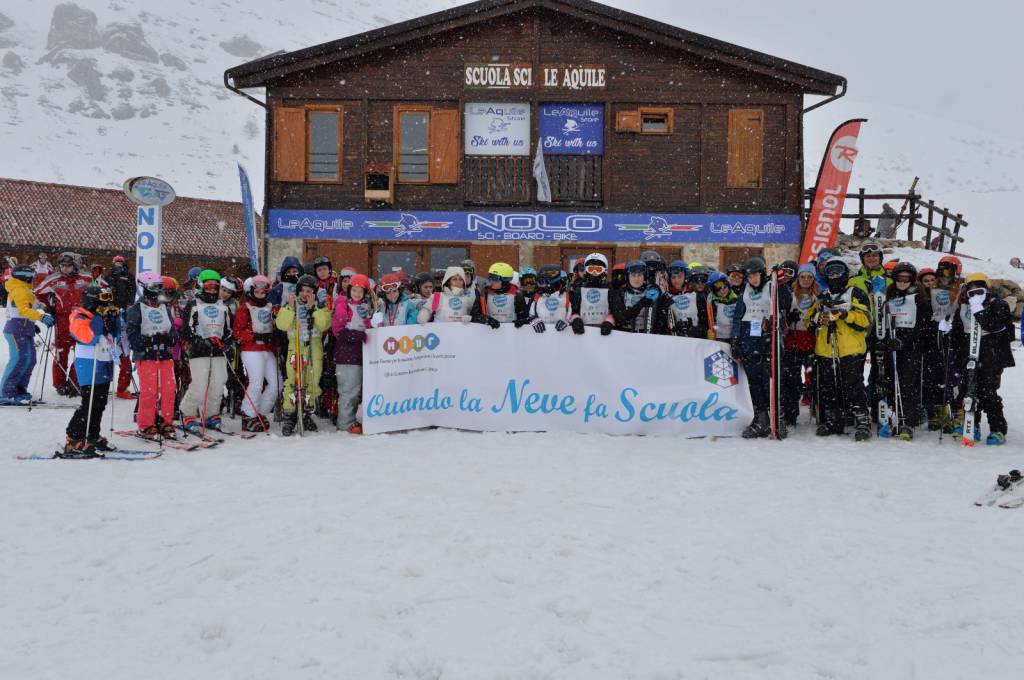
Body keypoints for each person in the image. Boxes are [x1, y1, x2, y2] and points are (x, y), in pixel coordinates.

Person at [804, 257, 871, 441]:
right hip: (826, 349)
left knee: (853, 385)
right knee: (829, 387)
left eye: (838, 272)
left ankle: (862, 420)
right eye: (830, 272)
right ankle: (834, 419)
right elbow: (808, 319)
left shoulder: (855, 293)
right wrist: (817, 318)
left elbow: (865, 318)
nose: (834, 276)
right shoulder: (823, 296)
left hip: (850, 348)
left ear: (845, 274)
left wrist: (844, 314)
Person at [732, 255, 792, 438]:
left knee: (772, 381)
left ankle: (778, 418)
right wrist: (735, 340)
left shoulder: (772, 287)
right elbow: (737, 316)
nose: (753, 279)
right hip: (749, 336)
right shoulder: (744, 291)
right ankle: (761, 419)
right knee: (755, 382)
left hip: (769, 336)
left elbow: (786, 303)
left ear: (762, 274)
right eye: (749, 276)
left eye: (756, 275)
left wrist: (780, 283)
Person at [951, 273, 1014, 445]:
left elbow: (994, 325)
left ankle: (998, 429)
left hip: (991, 355)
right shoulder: (963, 305)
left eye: (979, 289)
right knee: (967, 390)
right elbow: (959, 331)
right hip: (969, 353)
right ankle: (972, 424)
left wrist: (980, 310)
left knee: (988, 392)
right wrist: (947, 330)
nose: (974, 293)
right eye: (970, 290)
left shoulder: (998, 304)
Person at [61, 286, 121, 457]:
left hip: (104, 360)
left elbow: (115, 334)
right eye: (102, 302)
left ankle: (92, 434)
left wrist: (114, 318)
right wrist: (99, 318)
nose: (106, 305)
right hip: (88, 363)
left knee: (100, 402)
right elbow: (89, 337)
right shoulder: (79, 317)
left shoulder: (99, 316)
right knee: (90, 402)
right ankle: (74, 436)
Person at [880, 262, 931, 440]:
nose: (902, 282)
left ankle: (908, 421)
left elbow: (923, 325)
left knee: (907, 384)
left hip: (911, 346)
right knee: (891, 380)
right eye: (899, 279)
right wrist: (888, 340)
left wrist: (906, 340)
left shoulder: (919, 297)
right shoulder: (890, 295)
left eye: (906, 279)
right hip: (892, 344)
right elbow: (883, 321)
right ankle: (893, 416)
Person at [179, 270, 233, 434]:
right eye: (208, 286)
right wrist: (201, 342)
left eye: (215, 287)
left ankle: (210, 414)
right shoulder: (194, 305)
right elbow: (186, 332)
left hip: (217, 351)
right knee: (200, 384)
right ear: (202, 286)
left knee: (218, 383)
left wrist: (224, 342)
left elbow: (229, 330)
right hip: (199, 351)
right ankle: (187, 413)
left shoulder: (223, 307)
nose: (212, 290)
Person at [125, 272, 178, 440]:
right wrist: (149, 339)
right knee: (150, 391)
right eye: (154, 287)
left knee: (169, 390)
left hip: (164, 355)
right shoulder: (135, 309)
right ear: (145, 288)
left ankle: (166, 421)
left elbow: (174, 336)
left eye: (159, 287)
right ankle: (146, 424)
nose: (157, 291)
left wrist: (168, 338)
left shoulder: (165, 308)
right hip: (146, 356)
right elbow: (132, 337)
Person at [278, 274, 331, 435]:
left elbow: (323, 325)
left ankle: (307, 413)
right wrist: (290, 308)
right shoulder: (291, 306)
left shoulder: (319, 307)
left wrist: (313, 308)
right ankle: (290, 415)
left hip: (313, 348)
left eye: (309, 291)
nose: (305, 294)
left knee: (312, 381)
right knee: (293, 381)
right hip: (295, 348)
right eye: (302, 291)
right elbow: (281, 324)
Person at [34, 252, 92, 395]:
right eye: (62, 266)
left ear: (75, 266)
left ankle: (75, 382)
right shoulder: (54, 279)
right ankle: (60, 384)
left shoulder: (85, 278)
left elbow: (101, 287)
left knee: (81, 352)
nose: (65, 269)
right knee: (61, 352)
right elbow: (37, 292)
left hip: (81, 319)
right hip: (62, 319)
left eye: (69, 266)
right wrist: (49, 305)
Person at [1, 265, 54, 405]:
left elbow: (29, 309)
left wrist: (32, 322)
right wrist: (40, 317)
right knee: (18, 359)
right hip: (16, 329)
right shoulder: (19, 290)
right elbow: (23, 310)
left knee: (30, 360)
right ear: (26, 276)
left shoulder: (25, 290)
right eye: (32, 276)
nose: (34, 278)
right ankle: (6, 393)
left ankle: (19, 389)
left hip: (24, 329)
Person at [233, 274, 278, 432]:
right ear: (251, 291)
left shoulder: (270, 307)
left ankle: (260, 412)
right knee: (256, 383)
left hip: (268, 349)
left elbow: (275, 325)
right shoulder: (245, 308)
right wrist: (254, 336)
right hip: (252, 350)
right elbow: (237, 333)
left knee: (275, 384)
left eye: (263, 292)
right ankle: (248, 414)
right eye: (257, 292)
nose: (260, 295)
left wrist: (275, 334)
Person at [332, 273, 372, 435]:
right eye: (354, 290)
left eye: (360, 291)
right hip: (346, 355)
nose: (357, 294)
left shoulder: (364, 306)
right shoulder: (343, 304)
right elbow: (338, 331)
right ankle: (344, 423)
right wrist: (358, 336)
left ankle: (351, 419)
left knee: (357, 391)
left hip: (361, 354)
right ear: (349, 290)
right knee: (348, 390)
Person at [781, 264, 818, 426]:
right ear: (798, 278)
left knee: (814, 378)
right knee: (792, 379)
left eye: (809, 277)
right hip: (793, 340)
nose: (805, 280)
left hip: (811, 340)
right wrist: (789, 319)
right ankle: (790, 413)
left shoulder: (817, 295)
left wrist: (815, 322)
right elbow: (782, 318)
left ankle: (817, 409)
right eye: (803, 276)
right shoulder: (790, 294)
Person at [611, 259, 668, 334]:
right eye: (633, 275)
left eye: (640, 275)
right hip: (625, 335)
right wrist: (640, 304)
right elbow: (620, 318)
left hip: (647, 336)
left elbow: (661, 320)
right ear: (627, 277)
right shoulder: (620, 293)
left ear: (644, 276)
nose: (636, 279)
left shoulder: (653, 292)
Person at [107, 256, 136, 399]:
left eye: (120, 263)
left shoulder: (129, 276)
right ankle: (98, 386)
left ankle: (122, 388)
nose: (118, 266)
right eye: (115, 263)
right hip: (110, 316)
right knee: (107, 356)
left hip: (124, 314)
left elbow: (132, 293)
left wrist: (128, 306)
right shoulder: (109, 276)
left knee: (125, 356)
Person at [569, 253, 614, 335]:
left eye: (598, 269)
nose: (594, 272)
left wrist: (609, 321)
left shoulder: (609, 289)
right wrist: (576, 319)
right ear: (586, 270)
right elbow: (574, 310)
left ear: (604, 270)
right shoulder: (579, 289)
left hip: (603, 332)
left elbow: (614, 310)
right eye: (591, 269)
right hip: (584, 331)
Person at [664, 261, 709, 339]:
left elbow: (705, 319)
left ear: (686, 277)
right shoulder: (667, 296)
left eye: (680, 277)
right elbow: (663, 322)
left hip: (696, 339)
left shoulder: (696, 294)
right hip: (676, 339)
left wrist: (698, 330)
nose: (676, 281)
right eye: (673, 277)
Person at [475, 263, 527, 328]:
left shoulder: (517, 295)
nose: (491, 281)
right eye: (490, 277)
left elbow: (524, 316)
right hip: (490, 333)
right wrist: (487, 320)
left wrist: (521, 321)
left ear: (505, 280)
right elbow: (475, 315)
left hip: (510, 334)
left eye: (494, 278)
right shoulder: (485, 294)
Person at [525, 265, 571, 332]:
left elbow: (574, 314)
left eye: (541, 282)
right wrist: (534, 320)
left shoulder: (566, 296)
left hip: (562, 336)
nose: (540, 286)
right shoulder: (537, 296)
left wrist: (567, 321)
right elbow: (530, 315)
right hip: (542, 335)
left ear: (552, 283)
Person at [708, 271, 738, 343]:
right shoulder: (712, 302)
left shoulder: (736, 299)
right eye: (718, 290)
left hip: (734, 337)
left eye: (724, 287)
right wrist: (709, 331)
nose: (722, 291)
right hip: (719, 338)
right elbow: (707, 320)